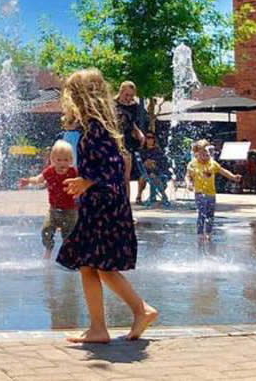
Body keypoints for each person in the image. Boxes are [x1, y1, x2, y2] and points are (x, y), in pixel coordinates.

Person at [57, 68, 158, 343]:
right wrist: (84, 182)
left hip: (103, 206)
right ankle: (117, 320)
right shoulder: (97, 125)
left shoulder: (96, 127)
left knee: (91, 264)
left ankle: (126, 316)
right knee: (94, 265)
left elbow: (114, 169)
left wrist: (87, 181)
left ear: (80, 97)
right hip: (101, 204)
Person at [19, 140, 79, 258]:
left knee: (69, 234)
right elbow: (39, 179)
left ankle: (69, 255)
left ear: (71, 160)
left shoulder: (73, 172)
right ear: (53, 159)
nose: (62, 163)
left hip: (71, 210)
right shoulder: (50, 171)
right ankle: (48, 249)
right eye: (59, 160)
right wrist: (28, 181)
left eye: (66, 160)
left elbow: (82, 183)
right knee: (46, 230)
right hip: (53, 209)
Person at [186, 139, 241, 241]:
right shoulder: (192, 164)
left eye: (207, 154)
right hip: (199, 193)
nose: (205, 156)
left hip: (211, 193)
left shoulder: (212, 163)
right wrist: (189, 184)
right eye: (202, 154)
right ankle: (200, 234)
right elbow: (188, 176)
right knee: (201, 213)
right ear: (196, 154)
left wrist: (233, 177)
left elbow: (223, 171)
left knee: (210, 215)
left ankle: (208, 233)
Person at [115, 80, 147, 194]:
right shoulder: (111, 104)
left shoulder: (134, 106)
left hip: (127, 141)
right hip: (112, 140)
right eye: (126, 95)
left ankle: (126, 204)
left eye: (132, 95)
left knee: (126, 177)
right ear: (121, 91)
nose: (129, 98)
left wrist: (139, 133)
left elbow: (131, 122)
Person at [137, 131, 170, 206]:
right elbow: (139, 163)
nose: (149, 139)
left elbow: (162, 163)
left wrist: (153, 163)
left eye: (151, 138)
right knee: (142, 178)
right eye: (148, 137)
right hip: (145, 171)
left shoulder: (158, 151)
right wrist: (146, 163)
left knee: (153, 175)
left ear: (154, 139)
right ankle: (138, 197)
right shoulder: (142, 151)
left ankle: (163, 196)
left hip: (157, 171)